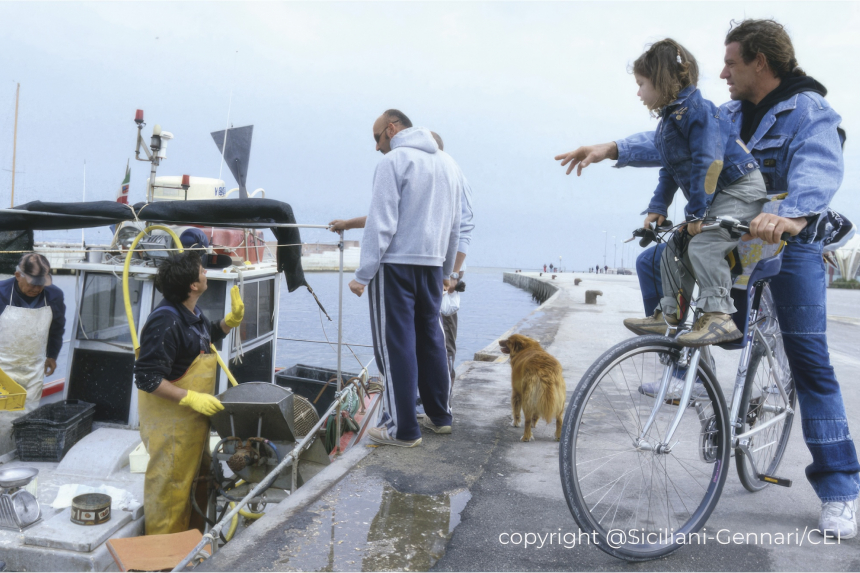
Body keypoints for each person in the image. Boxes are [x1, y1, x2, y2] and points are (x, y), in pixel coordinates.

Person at [555, 19, 858, 538]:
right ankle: (693, 375)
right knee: (655, 264)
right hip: (738, 237)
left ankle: (840, 490)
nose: (721, 73)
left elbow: (818, 169)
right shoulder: (729, 113)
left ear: (760, 62)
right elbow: (680, 144)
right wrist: (611, 149)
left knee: (809, 361)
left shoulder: (810, 111)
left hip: (790, 240)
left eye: (731, 63)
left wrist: (794, 214)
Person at [621, 39, 767, 346]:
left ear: (660, 80)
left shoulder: (700, 113)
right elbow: (670, 169)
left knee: (702, 246)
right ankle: (669, 315)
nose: (638, 92)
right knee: (675, 248)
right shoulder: (668, 123)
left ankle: (718, 316)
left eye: (641, 84)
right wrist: (658, 205)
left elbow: (710, 163)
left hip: (741, 190)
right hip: (719, 195)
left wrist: (697, 215)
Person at [330, 130, 475, 405]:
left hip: (435, 274)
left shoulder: (445, 170)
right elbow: (395, 216)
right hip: (434, 269)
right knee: (426, 343)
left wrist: (452, 274)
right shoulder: (440, 170)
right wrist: (348, 224)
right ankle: (435, 412)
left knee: (432, 346)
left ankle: (417, 416)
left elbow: (462, 227)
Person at [347, 109, 462, 448]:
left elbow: (381, 222)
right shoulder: (447, 164)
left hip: (395, 266)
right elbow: (454, 224)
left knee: (395, 345)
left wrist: (362, 274)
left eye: (377, 137)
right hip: (432, 265)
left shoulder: (393, 162)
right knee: (430, 339)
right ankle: (440, 416)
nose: (377, 146)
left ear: (392, 129)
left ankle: (403, 429)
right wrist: (446, 272)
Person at [133, 251, 245, 534]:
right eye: (202, 272)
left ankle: (190, 550)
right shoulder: (165, 321)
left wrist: (229, 322)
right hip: (171, 429)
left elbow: (205, 334)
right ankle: (161, 563)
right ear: (193, 286)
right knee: (169, 494)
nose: (206, 274)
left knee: (197, 486)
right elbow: (147, 378)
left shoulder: (191, 312)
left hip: (192, 426)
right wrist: (191, 397)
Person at [0, 253, 65, 454]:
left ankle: (14, 457)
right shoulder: (1, 292)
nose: (36, 289)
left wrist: (52, 355)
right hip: (2, 368)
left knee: (24, 418)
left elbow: (57, 328)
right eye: (32, 283)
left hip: (33, 368)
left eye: (41, 284)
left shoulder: (54, 295)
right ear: (17, 275)